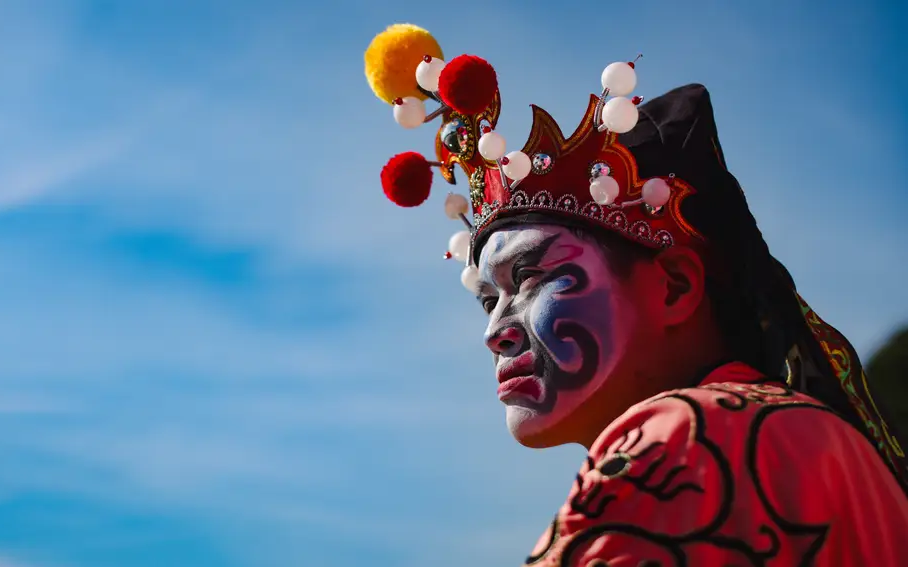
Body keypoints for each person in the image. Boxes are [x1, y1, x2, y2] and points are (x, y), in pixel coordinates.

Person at [365, 23, 908, 564]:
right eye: (488, 300)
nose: (494, 332)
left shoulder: (681, 441)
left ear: (674, 286)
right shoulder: (817, 439)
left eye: (529, 277)